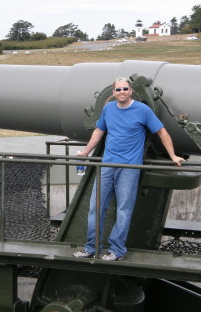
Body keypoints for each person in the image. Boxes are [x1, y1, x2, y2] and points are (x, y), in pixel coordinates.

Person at [73, 77, 184, 261]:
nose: (122, 92)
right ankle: (92, 247)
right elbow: (99, 131)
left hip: (129, 168)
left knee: (124, 209)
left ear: (131, 91)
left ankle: (116, 250)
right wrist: (85, 152)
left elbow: (162, 132)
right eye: (118, 89)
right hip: (108, 165)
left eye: (125, 88)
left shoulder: (142, 110)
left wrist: (172, 155)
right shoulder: (108, 109)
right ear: (113, 93)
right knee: (96, 208)